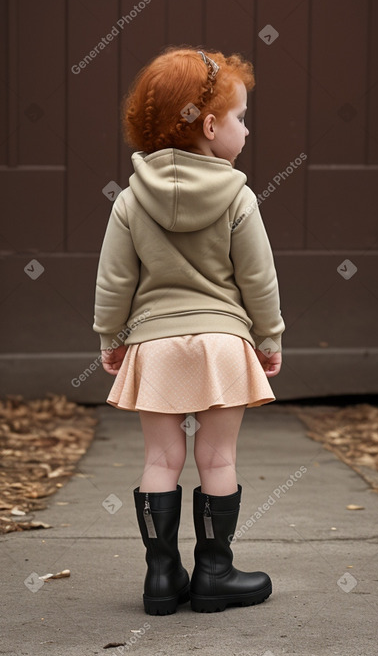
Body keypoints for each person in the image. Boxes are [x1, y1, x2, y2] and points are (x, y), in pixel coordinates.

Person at [93, 46, 285, 615]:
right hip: (223, 342)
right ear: (208, 125)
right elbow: (259, 280)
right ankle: (214, 574)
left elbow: (113, 282)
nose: (245, 130)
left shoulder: (130, 199)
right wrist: (269, 337)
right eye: (241, 118)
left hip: (155, 344)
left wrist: (111, 337)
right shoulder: (238, 196)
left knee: (162, 458)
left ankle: (160, 576)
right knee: (218, 460)